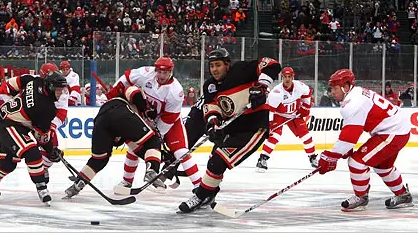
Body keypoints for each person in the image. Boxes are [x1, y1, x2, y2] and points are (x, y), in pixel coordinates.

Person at [178, 48, 281, 213]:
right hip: (230, 129)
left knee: (218, 162)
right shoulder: (209, 86)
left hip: (252, 129)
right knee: (214, 162)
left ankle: (201, 195)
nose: (214, 69)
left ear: (227, 65)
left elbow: (272, 64)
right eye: (211, 66)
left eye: (218, 65)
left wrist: (261, 86)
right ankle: (209, 194)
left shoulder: (241, 70)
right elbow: (211, 109)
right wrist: (212, 125)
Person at [317, 69, 413, 212]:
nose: (332, 92)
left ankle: (361, 197)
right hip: (397, 129)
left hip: (393, 132)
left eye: (335, 88)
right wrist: (342, 150)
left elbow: (349, 136)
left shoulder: (353, 102)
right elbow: (353, 129)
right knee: (383, 167)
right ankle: (403, 195)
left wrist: (332, 156)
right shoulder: (357, 93)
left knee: (356, 162)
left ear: (346, 86)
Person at [106, 57, 201, 193]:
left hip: (170, 122)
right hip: (146, 118)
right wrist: (111, 96)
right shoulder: (145, 73)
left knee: (181, 152)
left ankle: (200, 187)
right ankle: (127, 181)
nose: (161, 76)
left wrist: (156, 137)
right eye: (159, 72)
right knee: (135, 146)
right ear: (155, 70)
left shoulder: (176, 91)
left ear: (171, 72)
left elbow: (170, 118)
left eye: (165, 73)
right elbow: (125, 79)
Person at [0, 71, 67, 206]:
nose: (61, 93)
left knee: (8, 164)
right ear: (50, 87)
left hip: (7, 118)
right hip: (8, 123)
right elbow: (41, 137)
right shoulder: (46, 108)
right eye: (58, 90)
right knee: (31, 152)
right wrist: (51, 150)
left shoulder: (35, 81)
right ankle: (41, 188)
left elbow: (13, 83)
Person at [63, 86, 166, 198]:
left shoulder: (131, 126)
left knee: (99, 160)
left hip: (101, 120)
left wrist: (160, 157)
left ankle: (77, 185)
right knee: (153, 140)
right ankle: (152, 172)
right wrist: (145, 107)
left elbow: (138, 149)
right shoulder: (137, 106)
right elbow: (132, 91)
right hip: (119, 111)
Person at [256, 66, 318, 172]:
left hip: (294, 115)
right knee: (274, 136)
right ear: (282, 77)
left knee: (306, 136)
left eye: (289, 76)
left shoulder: (300, 87)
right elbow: (270, 110)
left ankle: (313, 158)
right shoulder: (276, 93)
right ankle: (262, 159)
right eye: (285, 77)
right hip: (279, 115)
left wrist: (305, 108)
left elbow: (307, 94)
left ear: (293, 77)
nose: (287, 79)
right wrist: (269, 124)